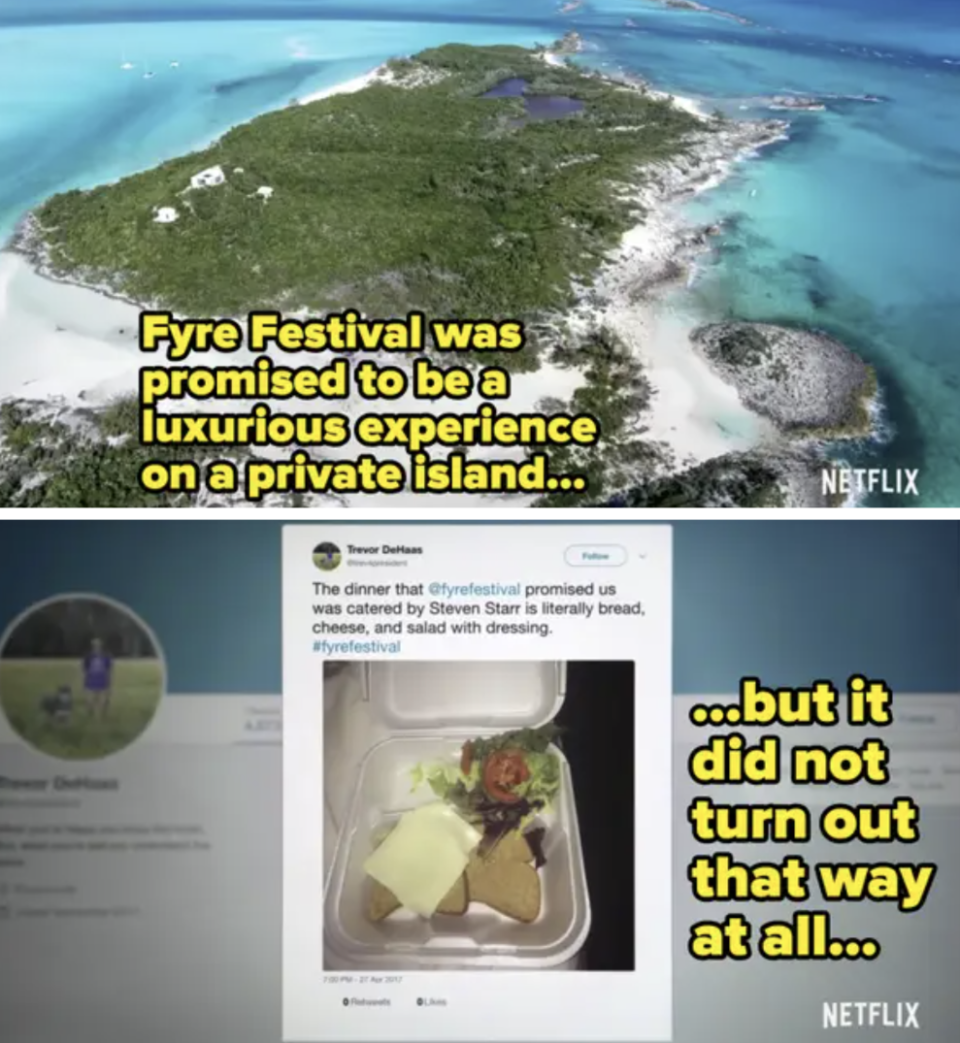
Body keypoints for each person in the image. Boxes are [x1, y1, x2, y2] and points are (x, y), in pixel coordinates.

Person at [82, 638, 114, 718]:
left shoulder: (106, 656)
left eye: (98, 645)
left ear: (101, 646)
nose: (96, 646)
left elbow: (108, 669)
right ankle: (90, 714)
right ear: (92, 646)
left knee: (102, 698)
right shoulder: (88, 656)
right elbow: (85, 668)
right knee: (90, 699)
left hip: (102, 679)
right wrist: (86, 679)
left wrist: (109, 682)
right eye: (95, 645)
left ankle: (102, 715)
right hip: (91, 679)